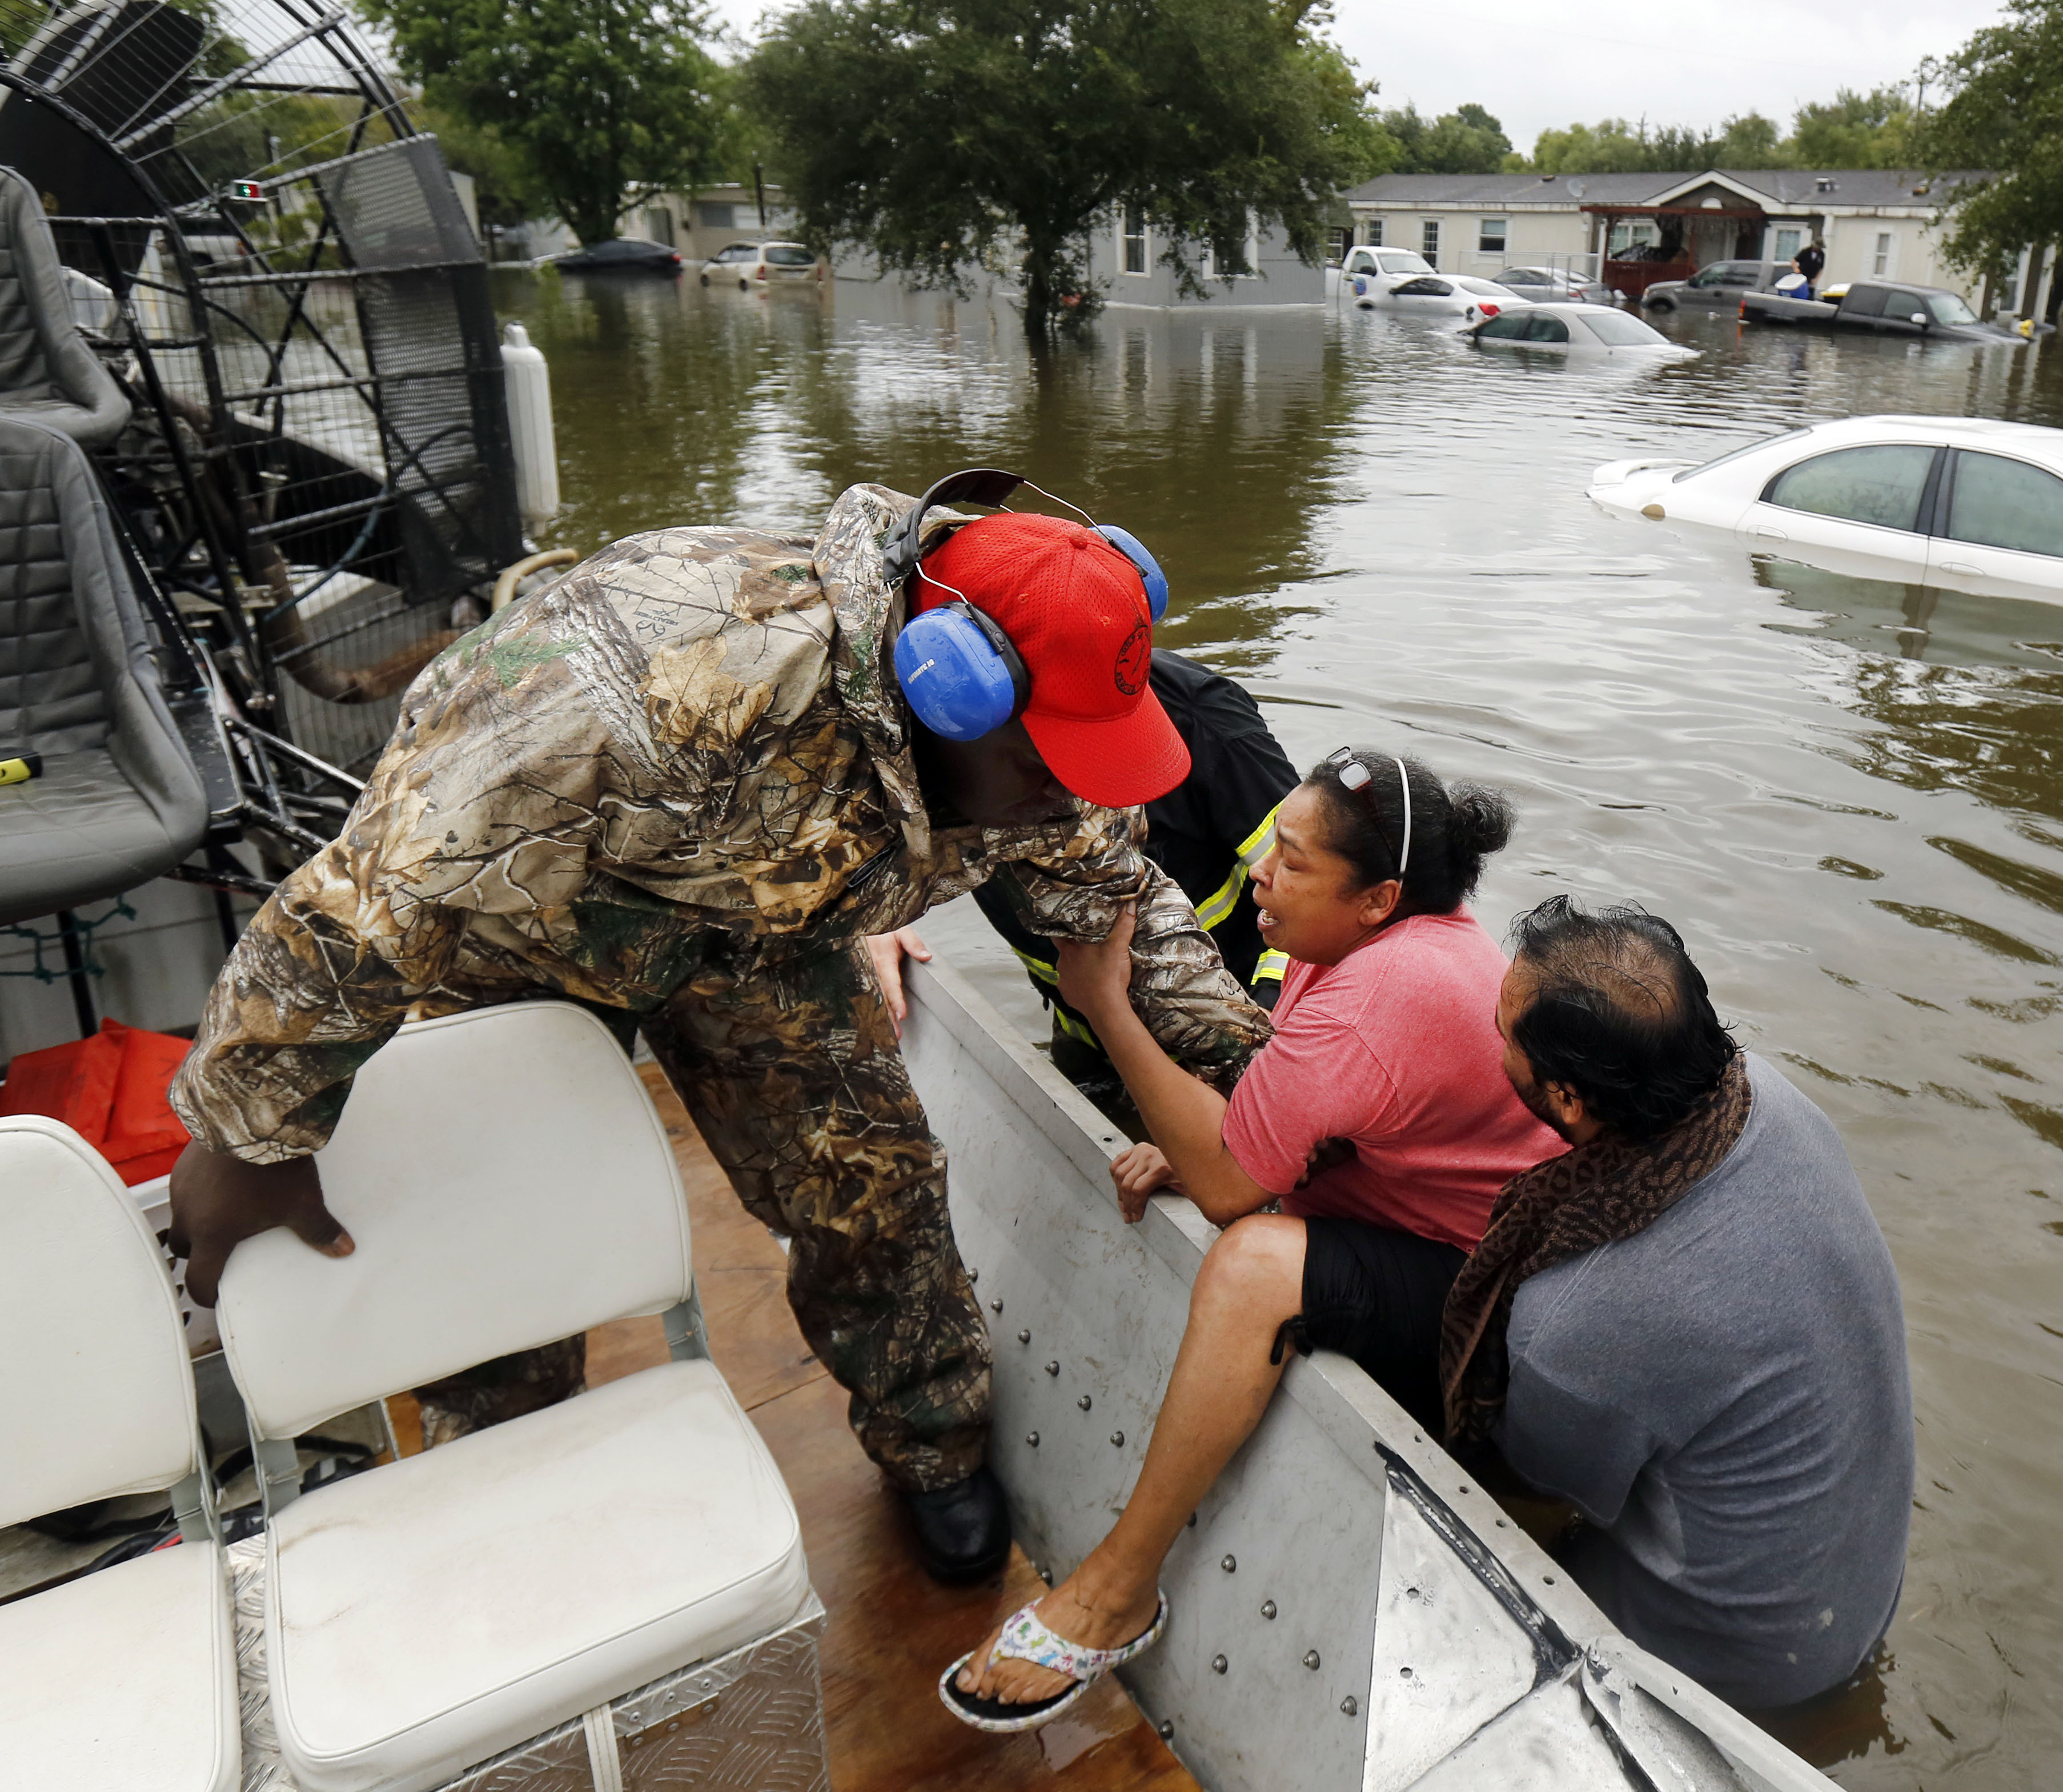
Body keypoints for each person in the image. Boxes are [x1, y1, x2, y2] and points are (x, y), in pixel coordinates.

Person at [161, 476, 1271, 1587]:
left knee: (871, 1178)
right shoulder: (619, 695)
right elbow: (363, 903)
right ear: (950, 691)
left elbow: (1125, 908)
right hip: (519, 919)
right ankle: (498, 1471)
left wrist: (1269, 1090)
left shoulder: (1041, 758)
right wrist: (246, 1136)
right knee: (504, 1224)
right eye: (1048, 767)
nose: (1069, 798)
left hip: (756, 929)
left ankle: (930, 1441)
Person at [939, 748, 1559, 1731]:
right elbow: (1290, 1116)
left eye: (1295, 862)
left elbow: (1231, 1189)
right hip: (1406, 1204)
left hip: (1486, 1290)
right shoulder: (1375, 936)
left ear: (1378, 896)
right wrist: (1193, 1146)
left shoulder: (1383, 995)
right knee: (1205, 1164)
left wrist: (1104, 1001)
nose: (1260, 872)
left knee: (1251, 1265)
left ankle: (1116, 1591)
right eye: (1274, 842)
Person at [1440, 896, 1913, 1710]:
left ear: (1569, 1098)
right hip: (1863, 1589)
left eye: (1503, 1034)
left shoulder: (1576, 1319)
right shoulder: (1769, 1095)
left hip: (1736, 1661)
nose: (1496, 1044)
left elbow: (1544, 1484)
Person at [951, 648, 1295, 1086]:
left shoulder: (1200, 715)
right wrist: (875, 925)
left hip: (1244, 1031)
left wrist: (1275, 1005)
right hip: (1091, 1041)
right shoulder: (941, 736)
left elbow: (1327, 892)